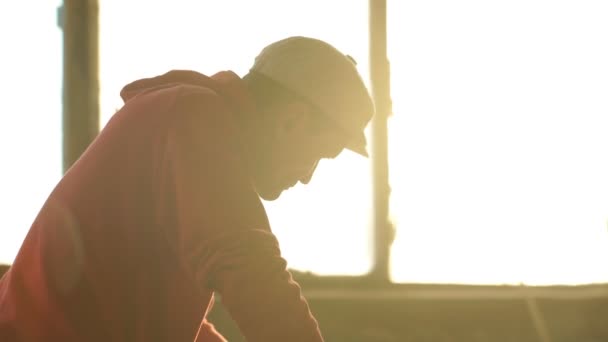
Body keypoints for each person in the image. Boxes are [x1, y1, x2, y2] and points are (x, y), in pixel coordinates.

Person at [0, 36, 374, 341]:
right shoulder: (194, 119)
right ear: (293, 121)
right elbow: (249, 267)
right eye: (319, 155)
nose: (308, 176)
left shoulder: (177, 118)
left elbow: (154, 319)